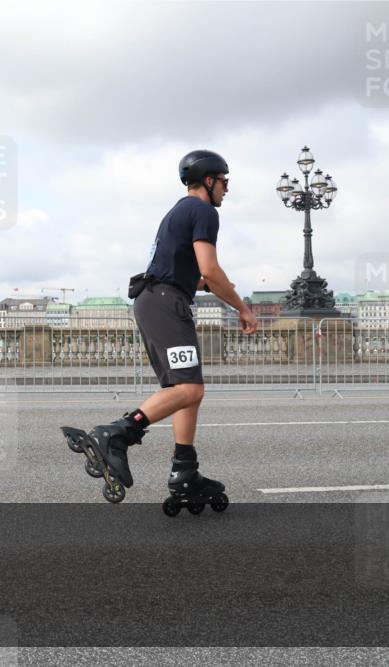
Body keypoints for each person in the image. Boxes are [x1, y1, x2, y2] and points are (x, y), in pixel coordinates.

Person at [87, 149, 258, 498]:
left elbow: (190, 273)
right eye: (224, 182)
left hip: (155, 300)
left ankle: (185, 469)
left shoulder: (178, 212)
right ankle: (116, 433)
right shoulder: (203, 211)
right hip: (167, 304)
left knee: (185, 392)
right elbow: (208, 267)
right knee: (189, 390)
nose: (227, 189)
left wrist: (211, 284)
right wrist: (243, 308)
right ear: (209, 181)